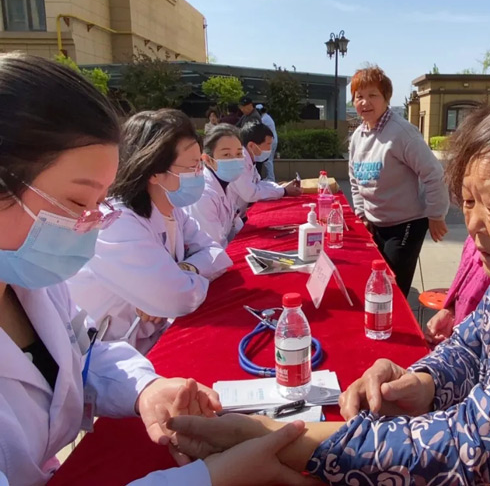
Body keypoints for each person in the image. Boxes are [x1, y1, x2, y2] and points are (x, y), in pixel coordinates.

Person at [167, 87, 490, 485]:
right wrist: (424, 380)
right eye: (466, 200)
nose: (472, 224)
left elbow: (468, 450)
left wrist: (272, 438)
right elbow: (476, 339)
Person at [0, 52, 313, 486]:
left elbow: (84, 354)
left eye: (99, 201)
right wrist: (213, 478)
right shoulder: (111, 231)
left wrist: (145, 389)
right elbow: (178, 294)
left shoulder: (29, 283)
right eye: (77, 203)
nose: (93, 223)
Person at [67, 109, 233, 354]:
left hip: (150, 339)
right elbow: (179, 299)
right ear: (155, 172)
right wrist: (168, 290)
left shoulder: (174, 210)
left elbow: (218, 255)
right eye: (192, 166)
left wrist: (184, 270)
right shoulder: (116, 224)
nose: (200, 173)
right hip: (108, 357)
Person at [348, 65, 450, 296]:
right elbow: (355, 178)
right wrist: (362, 214)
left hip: (405, 224)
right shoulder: (358, 136)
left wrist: (436, 214)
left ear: (386, 97)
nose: (365, 102)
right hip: (376, 223)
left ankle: (394, 330)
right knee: (376, 283)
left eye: (372, 95)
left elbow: (434, 174)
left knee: (392, 290)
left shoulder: (401, 133)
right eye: (359, 97)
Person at [185, 124, 246, 246]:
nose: (234, 159)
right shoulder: (203, 195)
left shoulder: (224, 184)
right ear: (207, 159)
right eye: (226, 155)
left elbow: (235, 225)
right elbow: (213, 246)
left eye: (239, 154)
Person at [424, 235, 490, 345]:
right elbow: (465, 287)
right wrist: (451, 312)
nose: (473, 225)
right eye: (468, 216)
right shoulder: (473, 241)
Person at [230, 122, 301, 218]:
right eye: (268, 144)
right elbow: (250, 194)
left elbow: (258, 183)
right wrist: (283, 191)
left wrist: (279, 187)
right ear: (251, 145)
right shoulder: (240, 162)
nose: (270, 148)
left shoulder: (249, 159)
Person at [256, 104, 278, 182]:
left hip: (270, 141)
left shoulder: (264, 119)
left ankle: (271, 178)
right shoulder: (267, 117)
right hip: (272, 140)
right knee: (269, 160)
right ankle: (270, 177)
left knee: (267, 160)